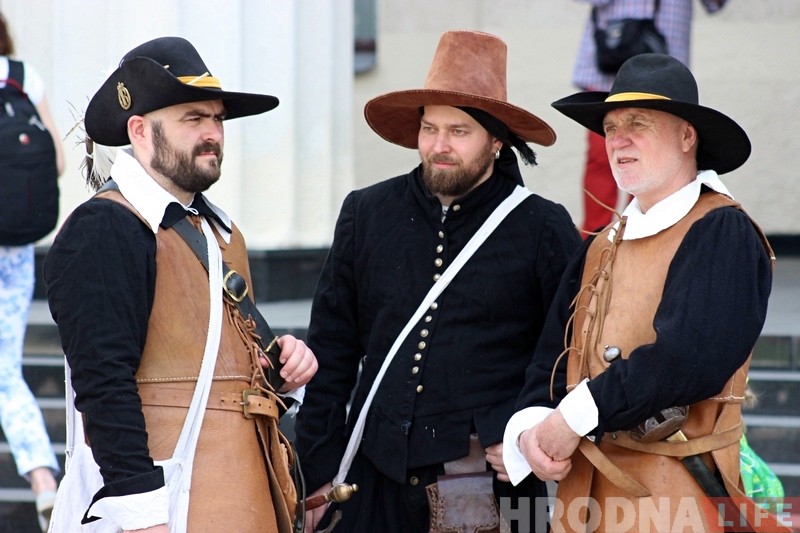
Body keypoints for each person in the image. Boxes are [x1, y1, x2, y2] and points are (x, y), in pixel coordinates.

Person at [294, 30, 582, 533]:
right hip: (372, 478)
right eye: (430, 129)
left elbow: (569, 347)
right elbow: (331, 350)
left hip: (493, 484)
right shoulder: (367, 212)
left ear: (497, 141)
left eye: (459, 131)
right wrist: (317, 469)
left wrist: (515, 428)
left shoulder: (543, 227)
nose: (439, 146)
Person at [503, 53, 793, 532]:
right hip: (583, 502)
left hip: (677, 501)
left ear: (686, 135)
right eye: (611, 127)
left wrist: (571, 418)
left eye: (638, 123)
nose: (619, 140)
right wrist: (532, 426)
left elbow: (687, 359)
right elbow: (553, 354)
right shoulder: (600, 245)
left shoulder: (724, 231)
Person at [43, 36, 318, 533]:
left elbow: (221, 377)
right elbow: (104, 387)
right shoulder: (105, 228)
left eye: (216, 118)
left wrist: (282, 370)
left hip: (242, 498)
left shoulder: (219, 233)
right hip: (166, 513)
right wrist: (144, 518)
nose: (212, 132)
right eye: (193, 119)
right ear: (140, 130)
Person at [572, 0, 727, 236]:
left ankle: (641, 235)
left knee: (656, 160)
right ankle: (597, 245)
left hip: (666, 63)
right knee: (605, 157)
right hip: (610, 66)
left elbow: (715, 4)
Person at [0, 11, 65, 533]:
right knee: (4, 370)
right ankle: (44, 481)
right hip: (16, 247)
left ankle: (44, 479)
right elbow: (59, 162)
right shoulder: (21, 76)